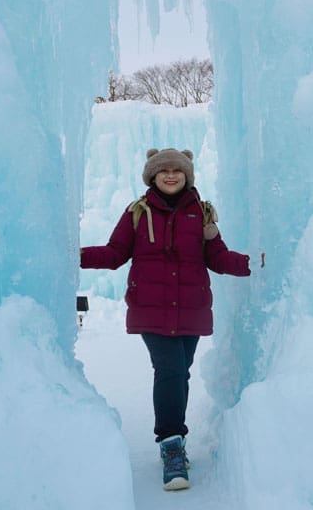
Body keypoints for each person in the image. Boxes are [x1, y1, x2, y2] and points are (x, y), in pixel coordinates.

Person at [80, 148, 251, 491]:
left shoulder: (202, 215)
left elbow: (217, 258)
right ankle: (171, 444)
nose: (171, 175)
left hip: (191, 308)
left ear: (187, 175)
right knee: (170, 369)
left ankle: (174, 437)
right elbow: (114, 254)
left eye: (177, 170)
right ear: (152, 176)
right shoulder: (136, 213)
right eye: (163, 171)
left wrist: (254, 264)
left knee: (179, 371)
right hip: (151, 310)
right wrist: (75, 254)